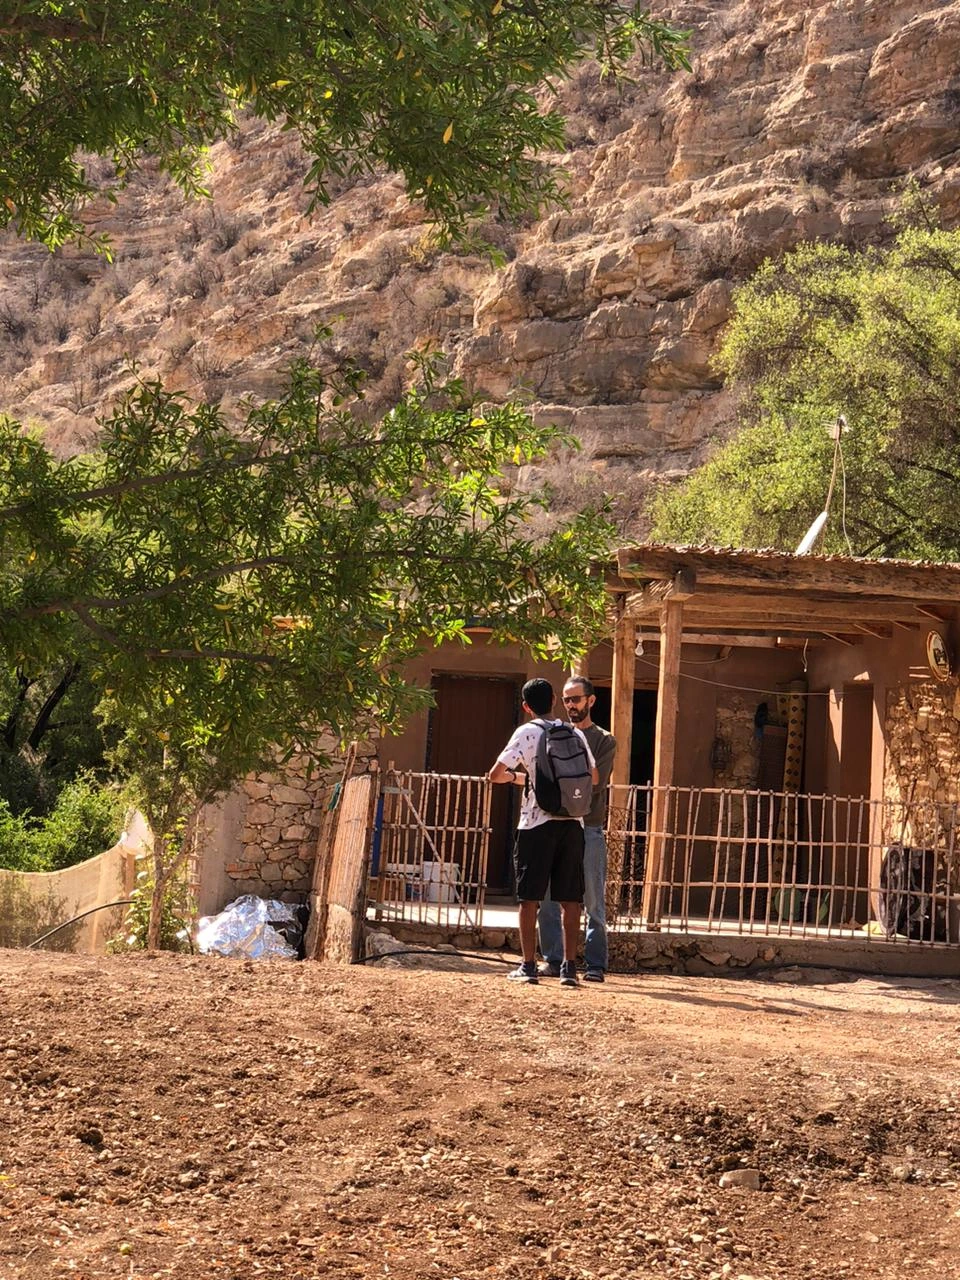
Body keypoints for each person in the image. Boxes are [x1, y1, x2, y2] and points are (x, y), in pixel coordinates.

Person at [488, 677, 597, 988]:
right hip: (572, 823)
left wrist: (516, 778)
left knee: (529, 898)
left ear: (525, 706)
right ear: (553, 700)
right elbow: (592, 773)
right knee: (571, 900)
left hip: (536, 823)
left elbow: (496, 774)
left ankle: (528, 965)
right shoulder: (574, 732)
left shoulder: (526, 732)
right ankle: (569, 969)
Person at [537, 676, 616, 983]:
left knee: (593, 898)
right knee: (546, 897)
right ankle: (553, 959)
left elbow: (596, 784)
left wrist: (563, 789)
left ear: (591, 701)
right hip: (555, 824)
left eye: (576, 699)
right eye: (567, 700)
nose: (571, 705)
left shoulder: (604, 740)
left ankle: (595, 964)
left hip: (589, 826)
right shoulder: (553, 734)